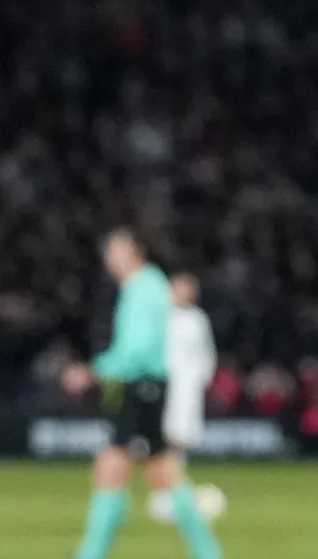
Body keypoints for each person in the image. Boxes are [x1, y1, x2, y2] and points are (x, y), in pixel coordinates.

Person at [60, 229, 225, 559]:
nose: (111, 258)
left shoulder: (145, 288)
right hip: (140, 387)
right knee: (153, 468)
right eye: (109, 252)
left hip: (141, 386)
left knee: (119, 464)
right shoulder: (141, 287)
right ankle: (208, 554)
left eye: (117, 250)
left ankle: (90, 554)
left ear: (136, 252)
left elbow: (135, 349)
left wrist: (93, 371)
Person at [149, 272, 217, 524]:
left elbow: (206, 353)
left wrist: (202, 380)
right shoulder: (161, 316)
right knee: (164, 438)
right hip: (164, 384)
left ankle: (174, 492)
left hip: (188, 387)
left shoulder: (198, 319)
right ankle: (163, 494)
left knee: (181, 439)